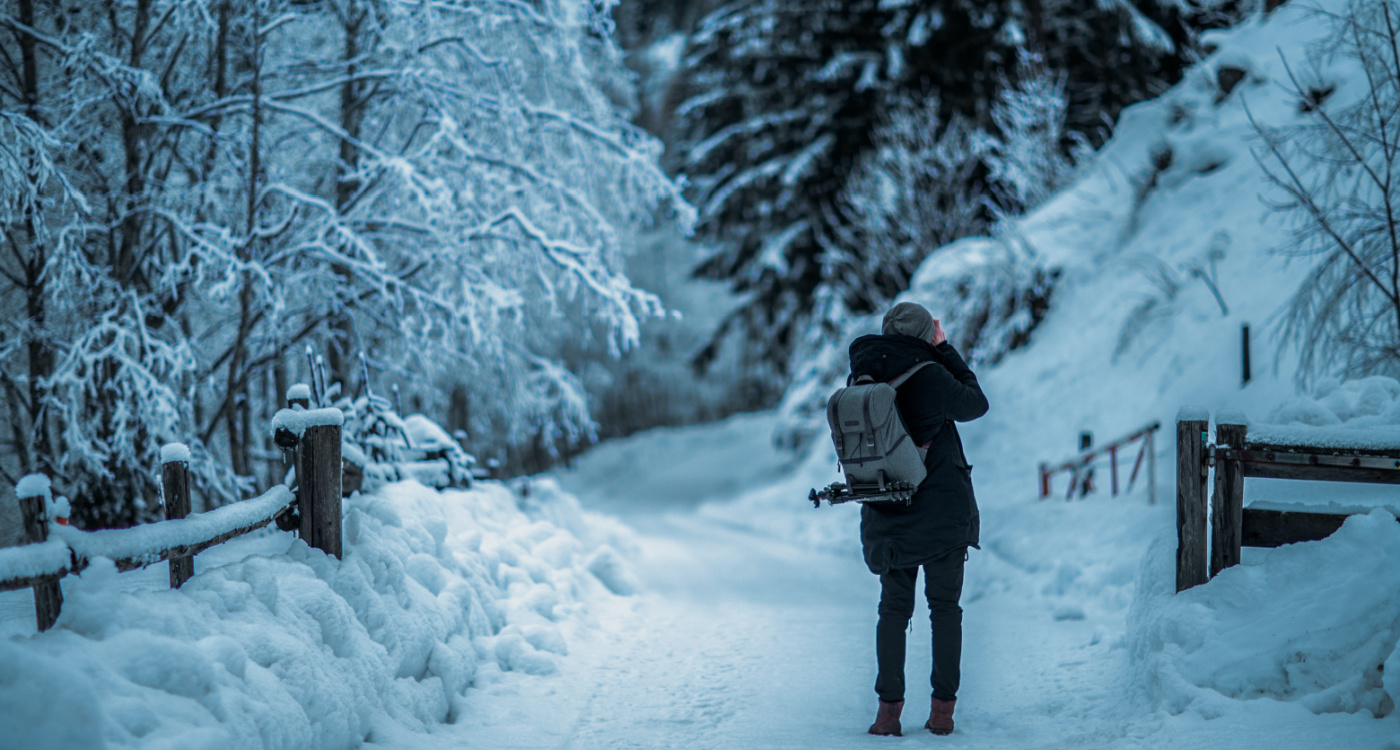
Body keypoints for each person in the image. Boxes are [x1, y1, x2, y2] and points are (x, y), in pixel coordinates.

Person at [851, 301, 989, 737]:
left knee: (893, 610)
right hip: (941, 513)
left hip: (886, 508)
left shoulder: (861, 379)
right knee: (944, 609)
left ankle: (887, 715)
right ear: (925, 335)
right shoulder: (930, 373)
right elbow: (975, 403)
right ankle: (942, 713)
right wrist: (945, 350)